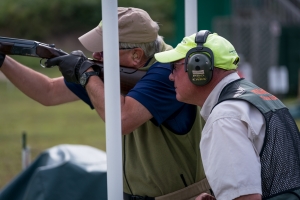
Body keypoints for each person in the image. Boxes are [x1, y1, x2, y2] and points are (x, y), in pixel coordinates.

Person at [0, 8, 215, 200]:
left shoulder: (168, 71)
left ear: (136, 55)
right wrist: (3, 60)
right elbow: (48, 92)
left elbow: (121, 120)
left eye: (104, 51)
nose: (95, 56)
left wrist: (86, 75)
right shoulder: (115, 70)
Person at [154, 30, 300, 200]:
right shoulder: (255, 98)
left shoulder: (224, 118)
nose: (171, 76)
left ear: (198, 67)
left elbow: (246, 198)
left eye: (174, 67)